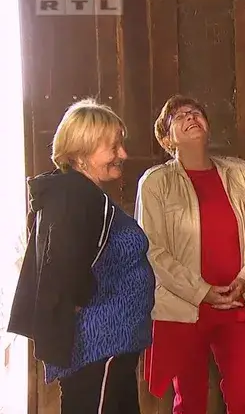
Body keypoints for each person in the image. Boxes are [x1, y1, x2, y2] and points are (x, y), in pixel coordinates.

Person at [7, 99, 155, 413]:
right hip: (98, 347)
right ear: (81, 152)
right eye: (113, 147)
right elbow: (62, 270)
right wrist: (94, 309)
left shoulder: (83, 194)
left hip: (111, 346)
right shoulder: (74, 194)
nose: (123, 155)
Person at [136, 94, 245, 414]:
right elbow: (153, 250)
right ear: (166, 137)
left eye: (196, 112)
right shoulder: (155, 182)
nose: (190, 117)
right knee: (189, 401)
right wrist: (202, 292)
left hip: (238, 301)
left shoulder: (240, 172)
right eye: (179, 116)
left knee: (244, 398)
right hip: (184, 308)